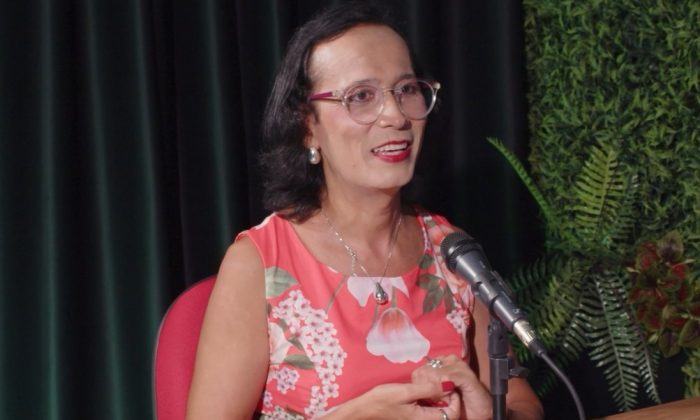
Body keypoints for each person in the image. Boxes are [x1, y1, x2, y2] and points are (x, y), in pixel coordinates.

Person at [187, 2, 543, 419]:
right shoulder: (260, 265)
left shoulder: (451, 252)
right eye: (361, 96)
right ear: (307, 126)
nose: (395, 116)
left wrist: (491, 414)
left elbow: (522, 403)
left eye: (407, 90)